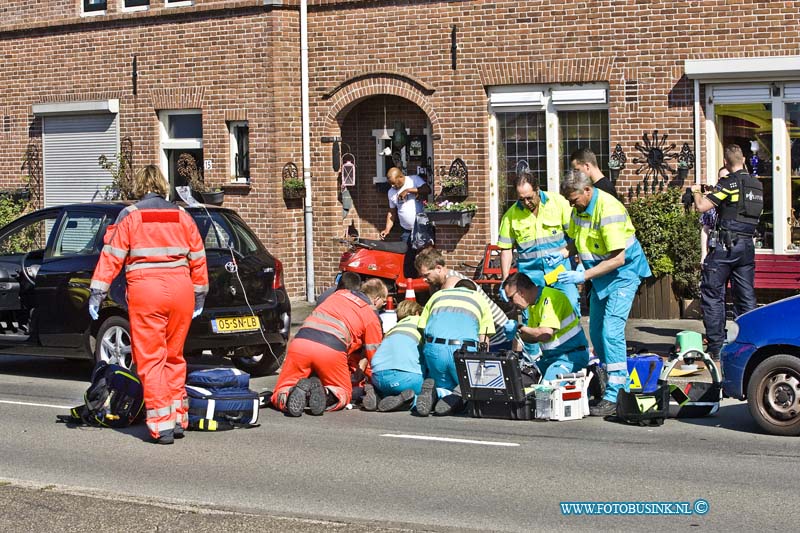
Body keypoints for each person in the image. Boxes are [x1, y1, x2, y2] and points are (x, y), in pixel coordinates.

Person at [88, 165, 208, 444]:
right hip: (181, 289)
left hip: (146, 289)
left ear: (139, 188)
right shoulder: (182, 215)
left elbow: (111, 258)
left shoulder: (129, 216)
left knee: (151, 359)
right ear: (163, 186)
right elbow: (198, 257)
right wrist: (200, 294)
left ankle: (161, 425)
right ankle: (178, 417)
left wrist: (97, 292)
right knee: (174, 356)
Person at [557, 169, 652, 417]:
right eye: (568, 200)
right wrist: (564, 253)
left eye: (574, 199)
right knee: (597, 331)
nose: (571, 204)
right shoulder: (579, 209)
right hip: (601, 276)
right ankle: (609, 378)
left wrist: (583, 275)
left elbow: (618, 258)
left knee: (611, 329)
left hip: (623, 273)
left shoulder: (608, 209)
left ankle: (617, 391)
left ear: (587, 190)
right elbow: (576, 240)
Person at [271, 278, 387, 416]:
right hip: (331, 349)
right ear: (376, 299)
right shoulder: (370, 314)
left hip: (300, 342)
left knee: (284, 386)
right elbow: (374, 356)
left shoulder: (338, 295)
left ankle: (288, 395)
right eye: (383, 302)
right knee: (343, 391)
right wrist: (376, 380)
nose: (382, 306)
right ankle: (326, 394)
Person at [691, 144, 763, 360]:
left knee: (713, 294)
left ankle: (716, 347)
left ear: (725, 162)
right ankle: (750, 343)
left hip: (725, 246)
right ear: (744, 160)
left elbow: (702, 206)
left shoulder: (730, 182)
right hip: (747, 247)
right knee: (746, 295)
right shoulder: (757, 185)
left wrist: (696, 191)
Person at [497, 171, 580, 313]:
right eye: (521, 199)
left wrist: (580, 264)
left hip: (560, 273)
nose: (526, 203)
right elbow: (506, 250)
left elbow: (576, 236)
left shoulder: (558, 203)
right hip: (530, 280)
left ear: (537, 189)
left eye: (529, 198)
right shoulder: (510, 217)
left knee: (570, 308)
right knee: (532, 320)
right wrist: (506, 281)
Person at [416, 278, 495, 416]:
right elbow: (484, 340)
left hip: (434, 348)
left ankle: (437, 392)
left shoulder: (438, 295)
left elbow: (422, 328)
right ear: (472, 290)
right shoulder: (479, 299)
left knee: (442, 384)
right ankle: (461, 393)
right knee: (472, 391)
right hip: (462, 351)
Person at [414, 247, 513, 350]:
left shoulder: (452, 284)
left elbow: (449, 321)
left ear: (438, 268)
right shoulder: (437, 283)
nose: (424, 279)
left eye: (426, 275)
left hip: (497, 338)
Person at [502, 272, 590, 382]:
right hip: (552, 359)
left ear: (521, 293)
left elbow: (545, 334)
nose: (511, 303)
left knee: (545, 391)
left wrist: (520, 327)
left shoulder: (550, 298)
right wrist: (518, 333)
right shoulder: (533, 305)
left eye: (511, 298)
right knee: (520, 382)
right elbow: (534, 337)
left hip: (570, 357)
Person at [363, 299, 425, 412]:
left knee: (390, 389)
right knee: (427, 391)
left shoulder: (392, 330)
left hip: (378, 377)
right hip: (406, 379)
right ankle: (410, 401)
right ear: (417, 313)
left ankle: (379, 396)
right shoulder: (421, 324)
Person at [379, 167, 431, 278]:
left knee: (424, 257)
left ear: (401, 177)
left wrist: (408, 190)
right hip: (406, 231)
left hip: (421, 229)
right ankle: (410, 286)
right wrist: (387, 229)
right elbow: (392, 212)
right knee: (408, 260)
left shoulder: (414, 180)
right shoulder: (391, 192)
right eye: (391, 184)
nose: (393, 186)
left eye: (394, 183)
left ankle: (425, 284)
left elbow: (427, 189)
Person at [699, 168, 728, 265]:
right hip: (715, 249)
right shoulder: (711, 202)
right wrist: (704, 254)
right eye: (721, 178)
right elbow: (705, 229)